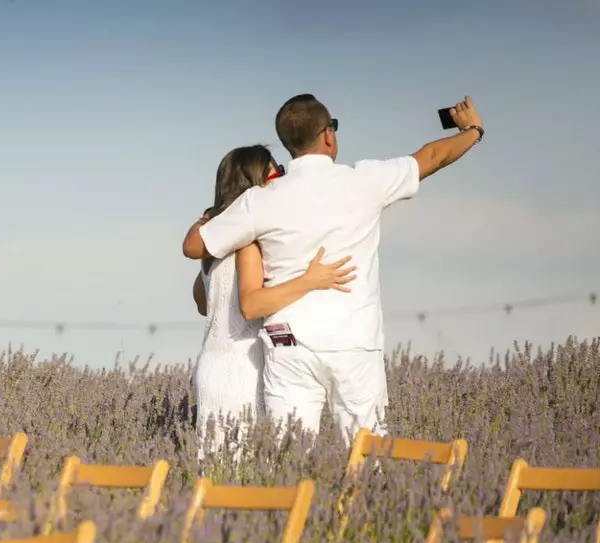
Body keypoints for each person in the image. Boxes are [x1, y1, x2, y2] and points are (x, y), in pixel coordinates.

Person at [182, 94, 485, 443]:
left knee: (289, 454)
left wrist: (210, 214)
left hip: (287, 343)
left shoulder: (260, 199)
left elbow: (195, 246)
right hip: (353, 342)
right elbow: (432, 157)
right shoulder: (364, 180)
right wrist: (473, 131)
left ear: (287, 144)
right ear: (328, 134)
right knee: (367, 452)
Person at [190, 144, 357, 457]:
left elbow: (203, 303)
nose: (282, 176)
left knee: (213, 470)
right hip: (245, 367)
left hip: (211, 363)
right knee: (247, 471)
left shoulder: (212, 244)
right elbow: (251, 305)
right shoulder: (248, 241)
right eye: (276, 171)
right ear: (256, 182)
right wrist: (309, 281)